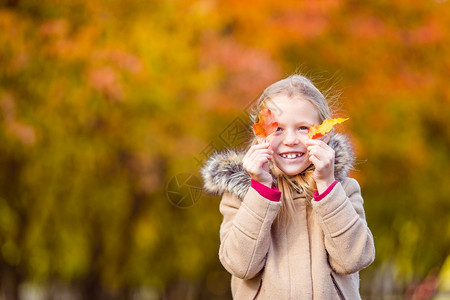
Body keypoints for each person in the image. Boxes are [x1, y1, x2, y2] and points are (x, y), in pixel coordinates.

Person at [201, 74, 375, 299]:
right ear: (260, 134)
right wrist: (261, 191)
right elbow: (239, 265)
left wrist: (327, 187)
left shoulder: (343, 189)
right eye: (278, 129)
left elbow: (355, 258)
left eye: (303, 128)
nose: (291, 139)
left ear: (325, 133)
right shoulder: (241, 194)